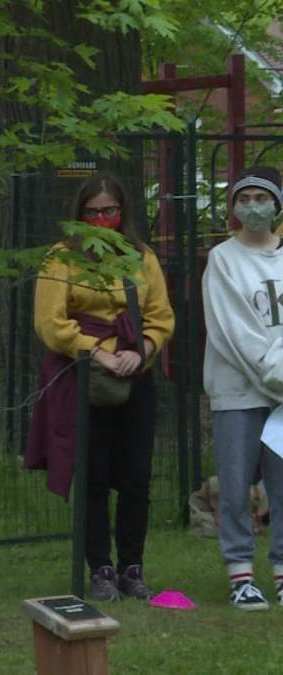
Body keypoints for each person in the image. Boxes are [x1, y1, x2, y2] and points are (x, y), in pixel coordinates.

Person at [25, 172, 175, 602]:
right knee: (90, 476)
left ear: (122, 212)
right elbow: (50, 322)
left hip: (136, 376)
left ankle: (132, 567)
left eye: (110, 210)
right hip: (84, 375)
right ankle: (100, 569)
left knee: (135, 477)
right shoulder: (61, 257)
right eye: (93, 212)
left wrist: (141, 350)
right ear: (81, 213)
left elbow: (161, 315)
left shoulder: (141, 256)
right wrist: (97, 352)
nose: (102, 218)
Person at [201, 165, 283, 610]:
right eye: (244, 198)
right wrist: (277, 371)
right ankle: (241, 575)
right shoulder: (223, 260)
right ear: (234, 207)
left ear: (277, 204)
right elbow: (234, 329)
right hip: (239, 390)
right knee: (235, 486)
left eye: (262, 197)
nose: (254, 206)